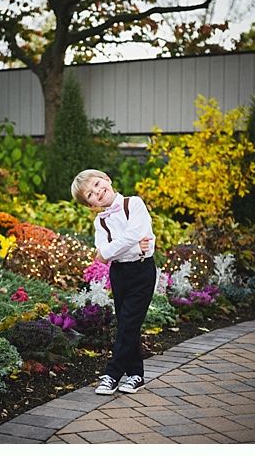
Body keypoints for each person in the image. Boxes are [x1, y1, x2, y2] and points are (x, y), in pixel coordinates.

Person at [71, 169, 156, 395]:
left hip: (142, 271)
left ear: (107, 179)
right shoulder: (100, 222)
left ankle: (112, 374)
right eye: (90, 194)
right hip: (119, 274)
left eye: (98, 184)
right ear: (90, 205)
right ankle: (136, 375)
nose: (97, 192)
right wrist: (131, 246)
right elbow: (103, 253)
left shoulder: (134, 204)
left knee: (128, 323)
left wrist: (117, 249)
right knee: (128, 324)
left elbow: (128, 238)